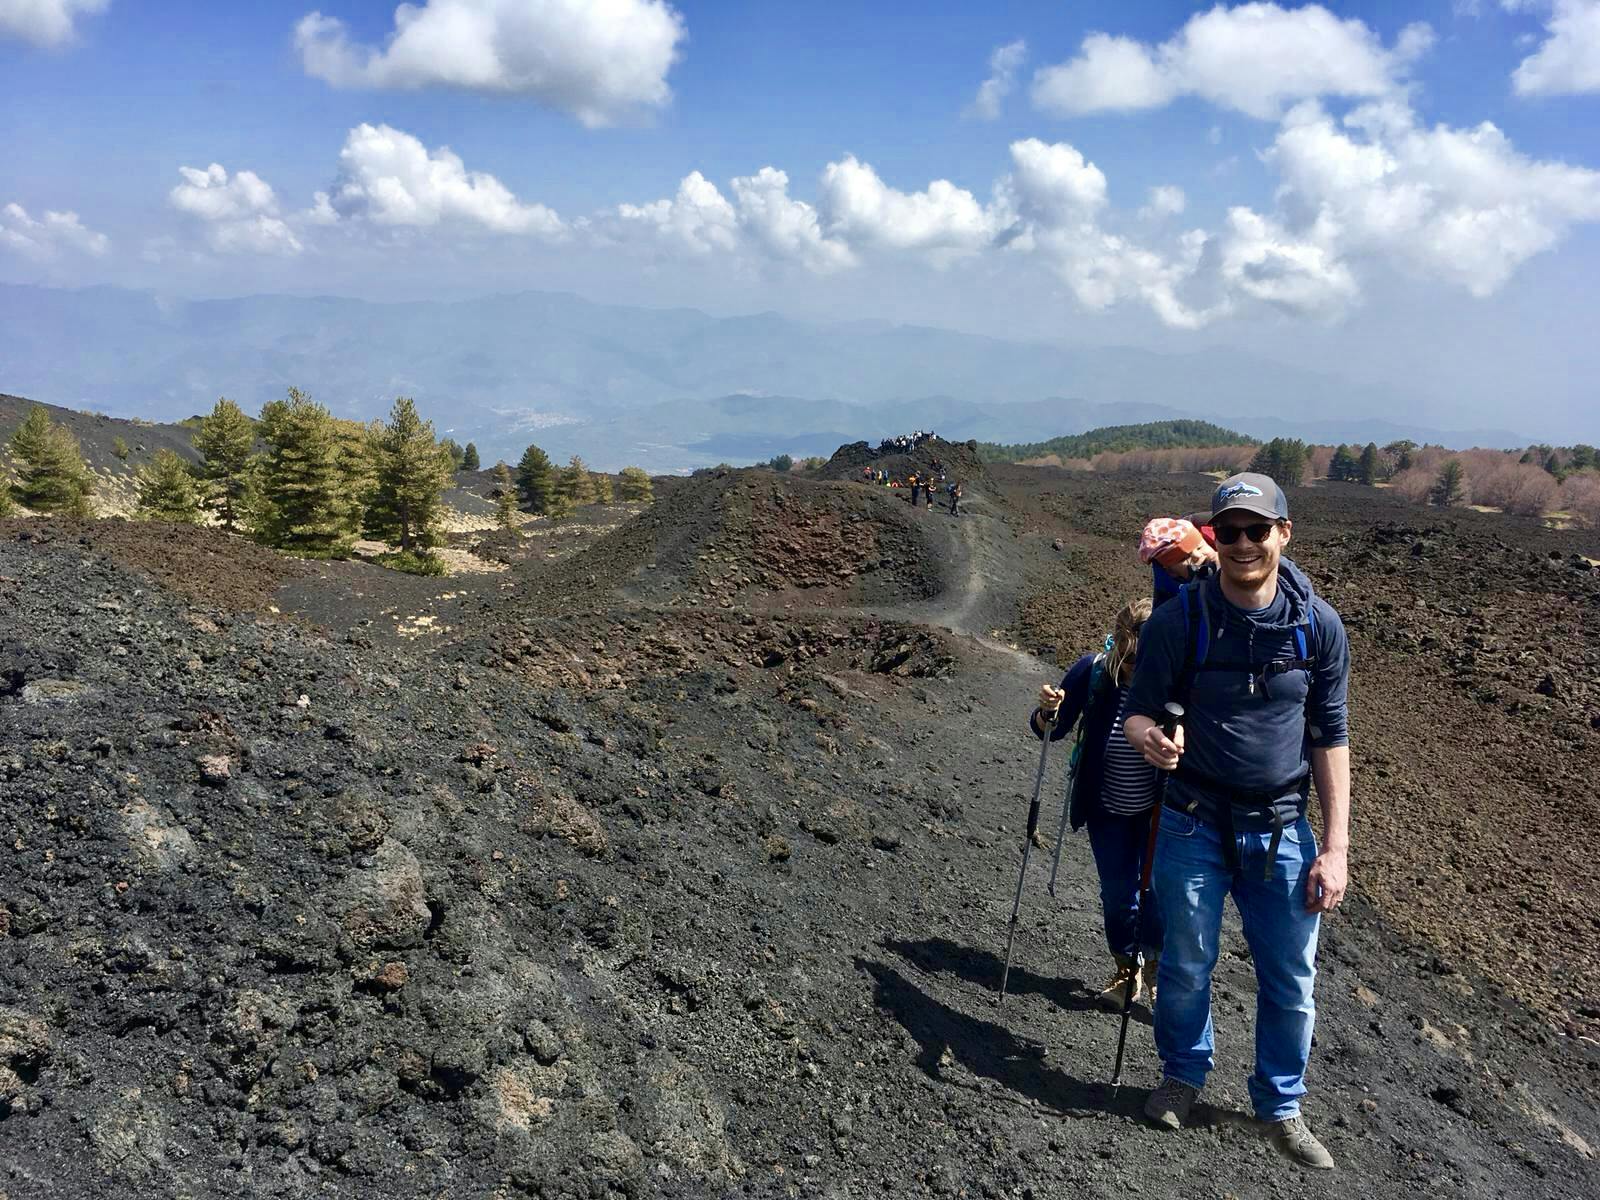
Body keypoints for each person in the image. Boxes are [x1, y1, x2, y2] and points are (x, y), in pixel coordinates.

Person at [1123, 472, 1350, 1172]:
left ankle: (1281, 1106)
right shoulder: (1178, 621)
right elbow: (1137, 707)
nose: (1245, 543)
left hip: (1282, 827)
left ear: (1284, 533)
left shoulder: (1318, 626)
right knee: (1188, 963)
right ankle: (1183, 1077)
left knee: (1291, 977)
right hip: (1192, 821)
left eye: (1259, 529)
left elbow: (1330, 736)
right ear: (1214, 538)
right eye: (1231, 531)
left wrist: (1335, 848)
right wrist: (1145, 739)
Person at [1032, 599, 1165, 1010]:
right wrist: (1047, 710)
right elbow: (1050, 731)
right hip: (1105, 807)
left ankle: (1161, 967)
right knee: (1117, 893)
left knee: (1158, 891)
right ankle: (1129, 966)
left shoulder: (1170, 679)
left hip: (1157, 810)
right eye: (1126, 660)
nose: (1132, 669)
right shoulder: (1093, 672)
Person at [1140, 517, 1218, 609]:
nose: (1197, 556)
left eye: (1199, 547)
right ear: (1171, 572)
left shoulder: (1230, 556)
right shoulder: (1171, 603)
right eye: (1185, 558)